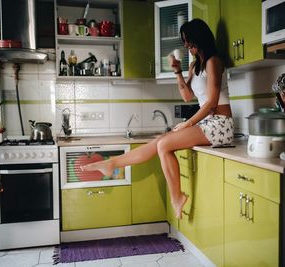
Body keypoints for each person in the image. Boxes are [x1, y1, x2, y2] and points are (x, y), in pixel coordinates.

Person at [81, 18, 234, 219]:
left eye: (189, 41)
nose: (187, 46)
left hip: (221, 124)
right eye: (185, 42)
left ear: (199, 39)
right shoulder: (196, 66)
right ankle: (113, 163)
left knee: (164, 144)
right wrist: (178, 71)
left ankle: (176, 197)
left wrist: (188, 123)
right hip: (207, 124)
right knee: (160, 142)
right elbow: (188, 96)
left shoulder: (214, 62)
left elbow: (212, 102)